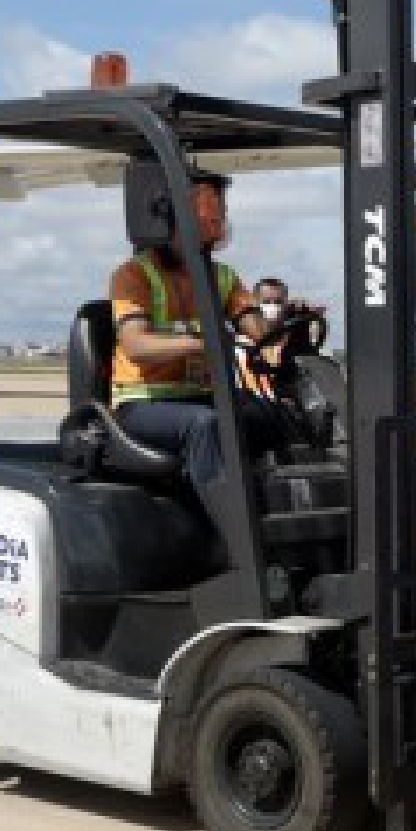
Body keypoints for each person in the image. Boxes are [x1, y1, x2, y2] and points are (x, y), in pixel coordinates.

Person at [107, 170, 284, 555]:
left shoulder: (221, 277)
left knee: (274, 417)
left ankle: (280, 516)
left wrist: (283, 320)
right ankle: (234, 545)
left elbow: (257, 330)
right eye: (201, 218)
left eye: (214, 219)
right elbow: (136, 345)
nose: (208, 231)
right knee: (206, 426)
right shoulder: (135, 275)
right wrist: (198, 344)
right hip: (143, 404)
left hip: (200, 395)